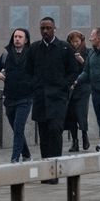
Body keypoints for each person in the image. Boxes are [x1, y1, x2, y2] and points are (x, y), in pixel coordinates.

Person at [24, 16, 81, 179]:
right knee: (43, 134)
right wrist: (34, 85)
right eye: (42, 28)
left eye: (48, 28)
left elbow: (73, 71)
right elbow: (27, 71)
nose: (45, 31)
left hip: (58, 99)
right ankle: (45, 170)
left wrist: (64, 85)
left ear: (54, 29)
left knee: (55, 131)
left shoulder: (64, 48)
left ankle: (55, 170)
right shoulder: (34, 48)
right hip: (41, 98)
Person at [0, 28, 34, 163]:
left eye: (20, 37)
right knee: (16, 129)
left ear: (26, 40)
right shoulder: (6, 55)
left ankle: (15, 158)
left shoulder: (31, 54)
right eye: (15, 36)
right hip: (10, 98)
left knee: (19, 127)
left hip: (25, 98)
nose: (17, 39)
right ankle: (26, 154)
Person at [64, 31, 92, 153]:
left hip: (83, 88)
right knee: (71, 115)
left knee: (81, 113)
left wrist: (82, 61)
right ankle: (75, 141)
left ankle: (84, 135)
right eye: (72, 42)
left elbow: (91, 70)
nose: (75, 44)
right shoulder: (67, 52)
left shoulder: (88, 52)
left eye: (77, 41)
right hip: (70, 89)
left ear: (81, 41)